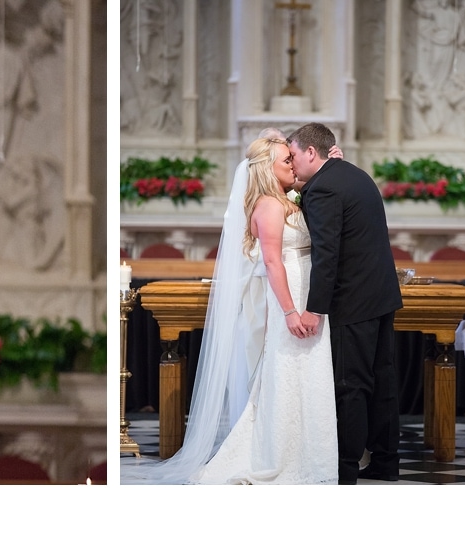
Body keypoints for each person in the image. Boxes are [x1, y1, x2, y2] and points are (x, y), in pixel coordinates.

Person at [121, 130, 339, 484]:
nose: (293, 164)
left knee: (307, 375)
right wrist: (290, 312)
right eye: (287, 160)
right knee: (287, 374)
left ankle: (311, 454)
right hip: (291, 299)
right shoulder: (269, 206)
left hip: (306, 292)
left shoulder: (288, 199)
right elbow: (272, 262)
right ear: (269, 168)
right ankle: (283, 454)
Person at [288, 122, 403, 484]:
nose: (291, 164)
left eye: (293, 155)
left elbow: (327, 254)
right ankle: (386, 461)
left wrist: (314, 308)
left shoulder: (321, 189)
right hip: (381, 294)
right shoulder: (354, 174)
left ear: (311, 152)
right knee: (382, 380)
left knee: (351, 385)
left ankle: (346, 468)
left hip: (352, 300)